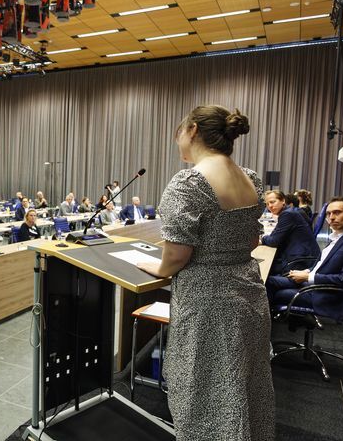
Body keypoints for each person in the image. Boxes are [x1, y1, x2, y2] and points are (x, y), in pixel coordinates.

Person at [136, 105, 274, 441]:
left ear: (193, 130)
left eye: (179, 133)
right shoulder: (250, 177)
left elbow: (177, 255)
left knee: (205, 389)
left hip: (207, 301)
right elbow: (253, 238)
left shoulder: (190, 183)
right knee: (244, 382)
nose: (178, 141)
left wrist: (160, 267)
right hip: (249, 291)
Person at [265, 196, 343, 321]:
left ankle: (261, 330)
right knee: (267, 281)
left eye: (337, 212)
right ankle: (262, 326)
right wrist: (307, 271)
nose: (331, 217)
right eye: (328, 214)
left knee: (272, 289)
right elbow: (324, 263)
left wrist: (308, 277)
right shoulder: (339, 236)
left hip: (325, 295)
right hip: (313, 281)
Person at [261, 190, 320, 277]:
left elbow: (274, 240)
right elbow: (275, 236)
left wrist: (262, 238)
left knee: (262, 272)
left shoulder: (288, 214)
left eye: (273, 202)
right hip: (303, 256)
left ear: (283, 201)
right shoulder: (290, 211)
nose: (270, 206)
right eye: (267, 204)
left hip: (301, 261)